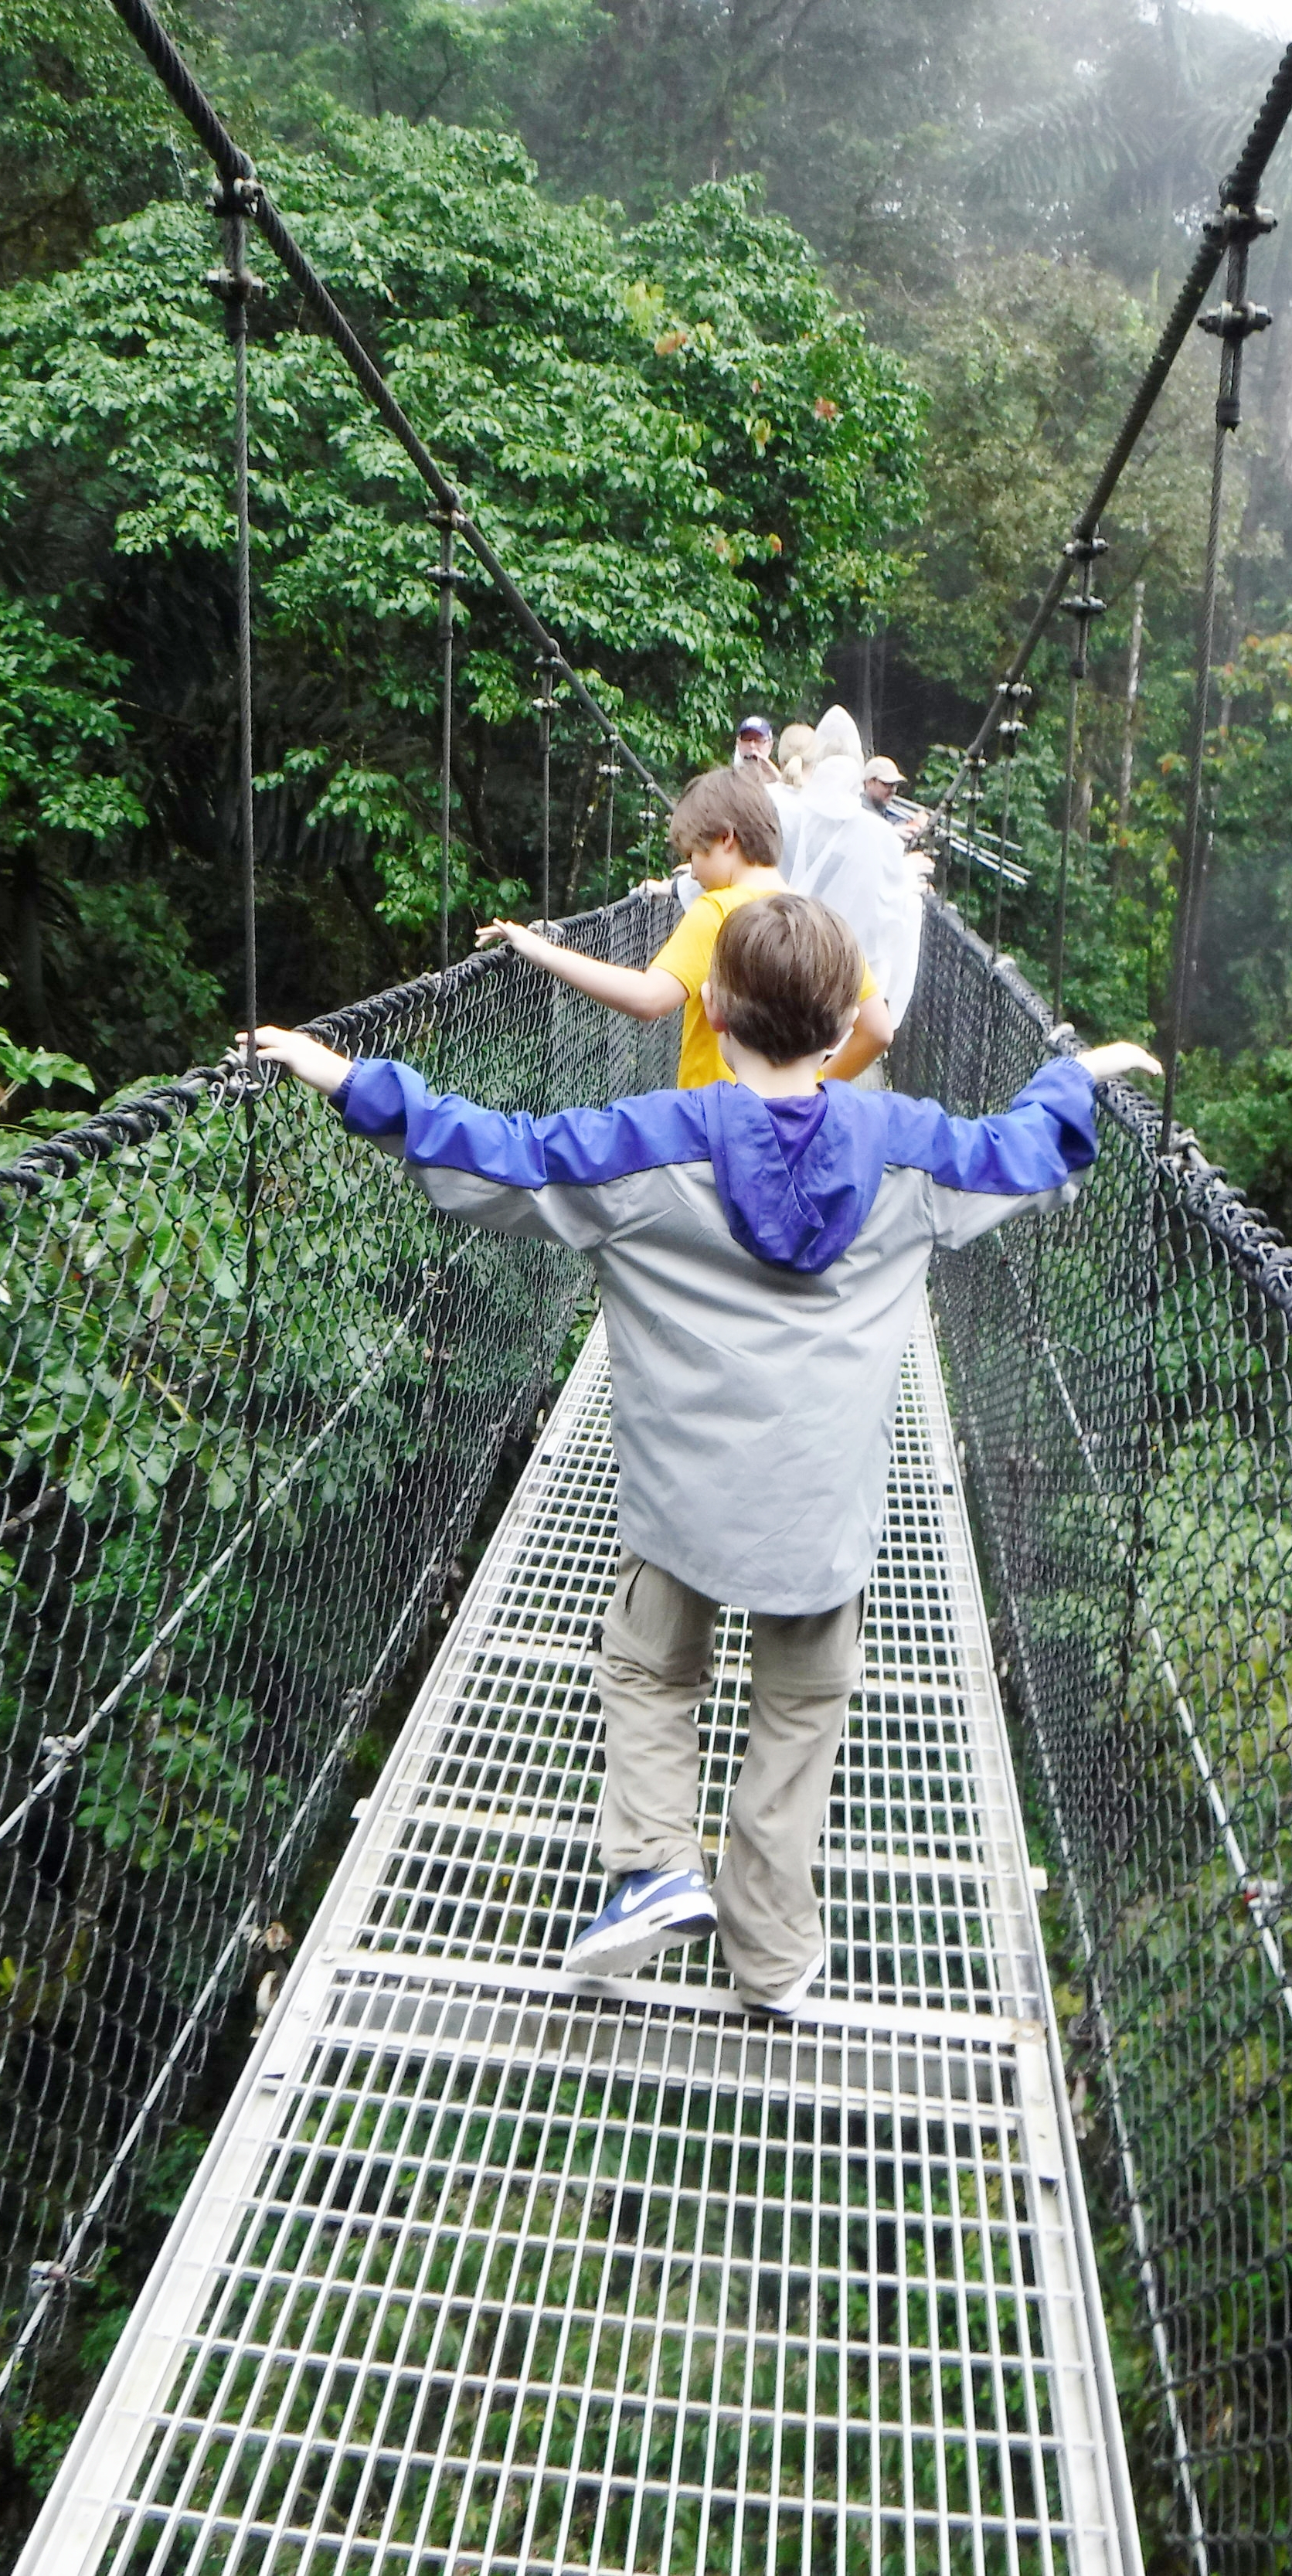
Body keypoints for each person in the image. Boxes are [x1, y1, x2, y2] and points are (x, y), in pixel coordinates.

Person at [241, 893, 1161, 2016]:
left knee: (644, 1664)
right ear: (845, 1030)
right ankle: (770, 1957)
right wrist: (1081, 1073)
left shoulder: (647, 1146)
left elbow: (500, 1152)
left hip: (682, 1509)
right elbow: (1025, 1153)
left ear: (715, 1010)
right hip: (821, 1523)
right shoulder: (912, 1153)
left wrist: (352, 1081)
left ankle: (653, 1867)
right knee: (801, 1713)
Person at [479, 765, 892, 1090]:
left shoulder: (717, 911)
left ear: (727, 839)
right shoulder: (818, 920)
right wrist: (816, 1087)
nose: (691, 869)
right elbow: (877, 1030)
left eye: (695, 851)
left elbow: (647, 998)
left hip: (711, 1130)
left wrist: (540, 949)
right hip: (791, 1127)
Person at [777, 705, 924, 1023]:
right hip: (849, 992)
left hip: (783, 970)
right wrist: (908, 875)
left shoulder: (784, 812)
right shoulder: (878, 834)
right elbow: (892, 920)